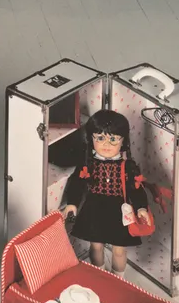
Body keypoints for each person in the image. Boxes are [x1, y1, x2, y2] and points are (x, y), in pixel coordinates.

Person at [60, 110, 151, 277]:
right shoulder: (89, 164)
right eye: (100, 138)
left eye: (113, 139)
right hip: (94, 210)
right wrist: (72, 203)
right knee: (95, 246)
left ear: (123, 141)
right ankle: (99, 273)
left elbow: (136, 189)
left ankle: (118, 277)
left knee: (119, 250)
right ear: (91, 139)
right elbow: (77, 184)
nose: (106, 145)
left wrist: (141, 208)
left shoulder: (126, 166)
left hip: (120, 211)